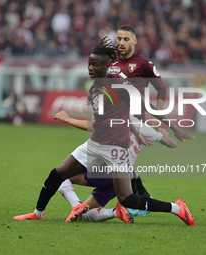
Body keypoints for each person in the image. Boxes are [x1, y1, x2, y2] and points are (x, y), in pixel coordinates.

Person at [13, 37, 196, 226]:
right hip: (94, 144)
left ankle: (178, 208)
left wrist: (174, 128)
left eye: (95, 65)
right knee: (57, 174)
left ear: (107, 65)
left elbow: (145, 106)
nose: (90, 68)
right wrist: (135, 131)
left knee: (127, 199)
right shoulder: (94, 88)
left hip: (115, 150)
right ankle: (37, 213)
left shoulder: (120, 86)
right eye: (89, 64)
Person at [54, 110, 177, 220]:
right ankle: (115, 212)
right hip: (121, 180)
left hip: (106, 170)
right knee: (83, 214)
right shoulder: (144, 129)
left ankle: (76, 205)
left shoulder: (116, 118)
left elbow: (93, 126)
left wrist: (68, 119)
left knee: (59, 177)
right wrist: (164, 138)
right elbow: (172, 144)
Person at [112, 25, 167, 128]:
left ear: (134, 41)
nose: (122, 43)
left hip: (135, 123)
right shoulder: (109, 62)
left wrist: (156, 116)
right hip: (112, 122)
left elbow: (162, 89)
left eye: (126, 39)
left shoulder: (144, 64)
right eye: (119, 39)